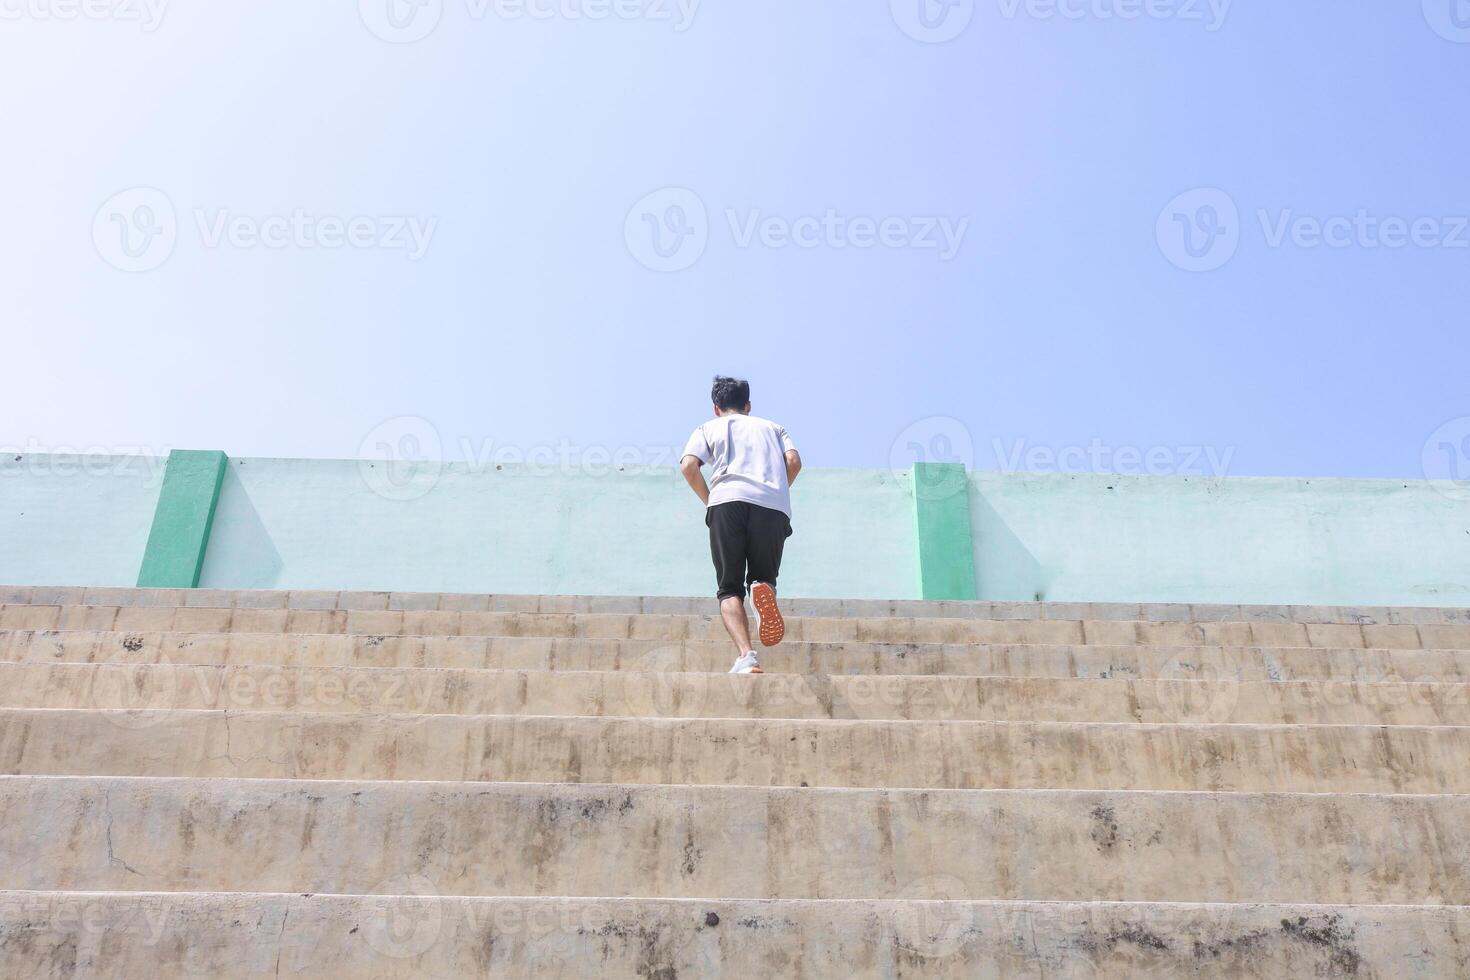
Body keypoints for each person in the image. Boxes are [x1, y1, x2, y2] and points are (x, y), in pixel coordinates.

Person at [679, 376, 801, 674]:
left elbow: (688, 465)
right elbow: (794, 462)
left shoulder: (707, 427)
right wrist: (777, 492)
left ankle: (747, 657)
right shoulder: (773, 428)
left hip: (726, 502)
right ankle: (763, 589)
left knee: (729, 587)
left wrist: (710, 501)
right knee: (763, 578)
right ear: (748, 405)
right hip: (772, 506)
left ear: (715, 407)